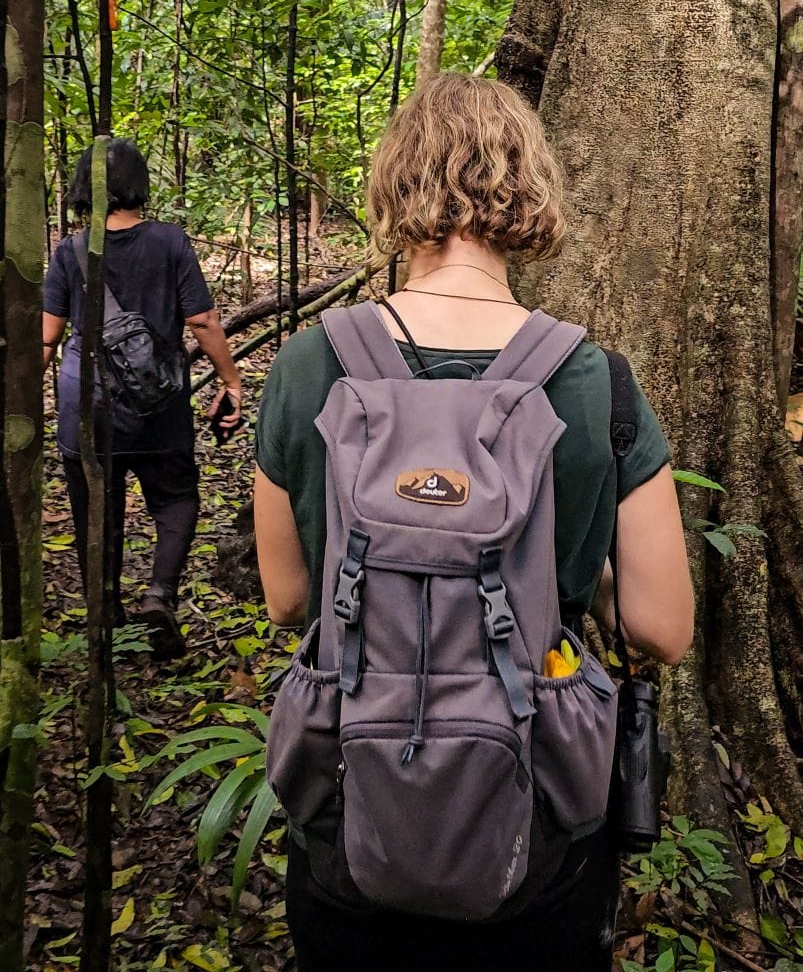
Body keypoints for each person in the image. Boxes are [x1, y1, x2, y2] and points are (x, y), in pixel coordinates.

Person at [252, 73, 694, 971]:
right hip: (537, 823)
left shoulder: (309, 365)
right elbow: (662, 629)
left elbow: (288, 600)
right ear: (527, 190)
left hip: (350, 805)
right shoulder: (593, 380)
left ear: (394, 185)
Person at [43, 138, 242, 657]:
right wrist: (231, 382)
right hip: (157, 401)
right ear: (139, 184)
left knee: (95, 507)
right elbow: (202, 320)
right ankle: (160, 596)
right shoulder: (171, 242)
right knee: (175, 497)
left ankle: (105, 612)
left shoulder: (70, 250)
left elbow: (46, 337)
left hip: (86, 405)